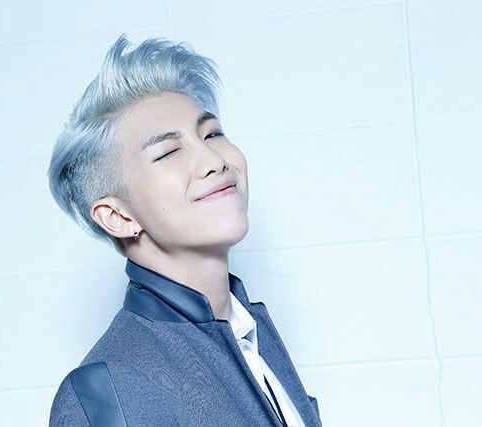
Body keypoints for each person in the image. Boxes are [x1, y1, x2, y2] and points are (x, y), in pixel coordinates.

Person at [47, 34, 322, 427]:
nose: (213, 160)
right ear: (117, 216)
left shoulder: (251, 337)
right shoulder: (107, 390)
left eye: (211, 134)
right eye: (169, 152)